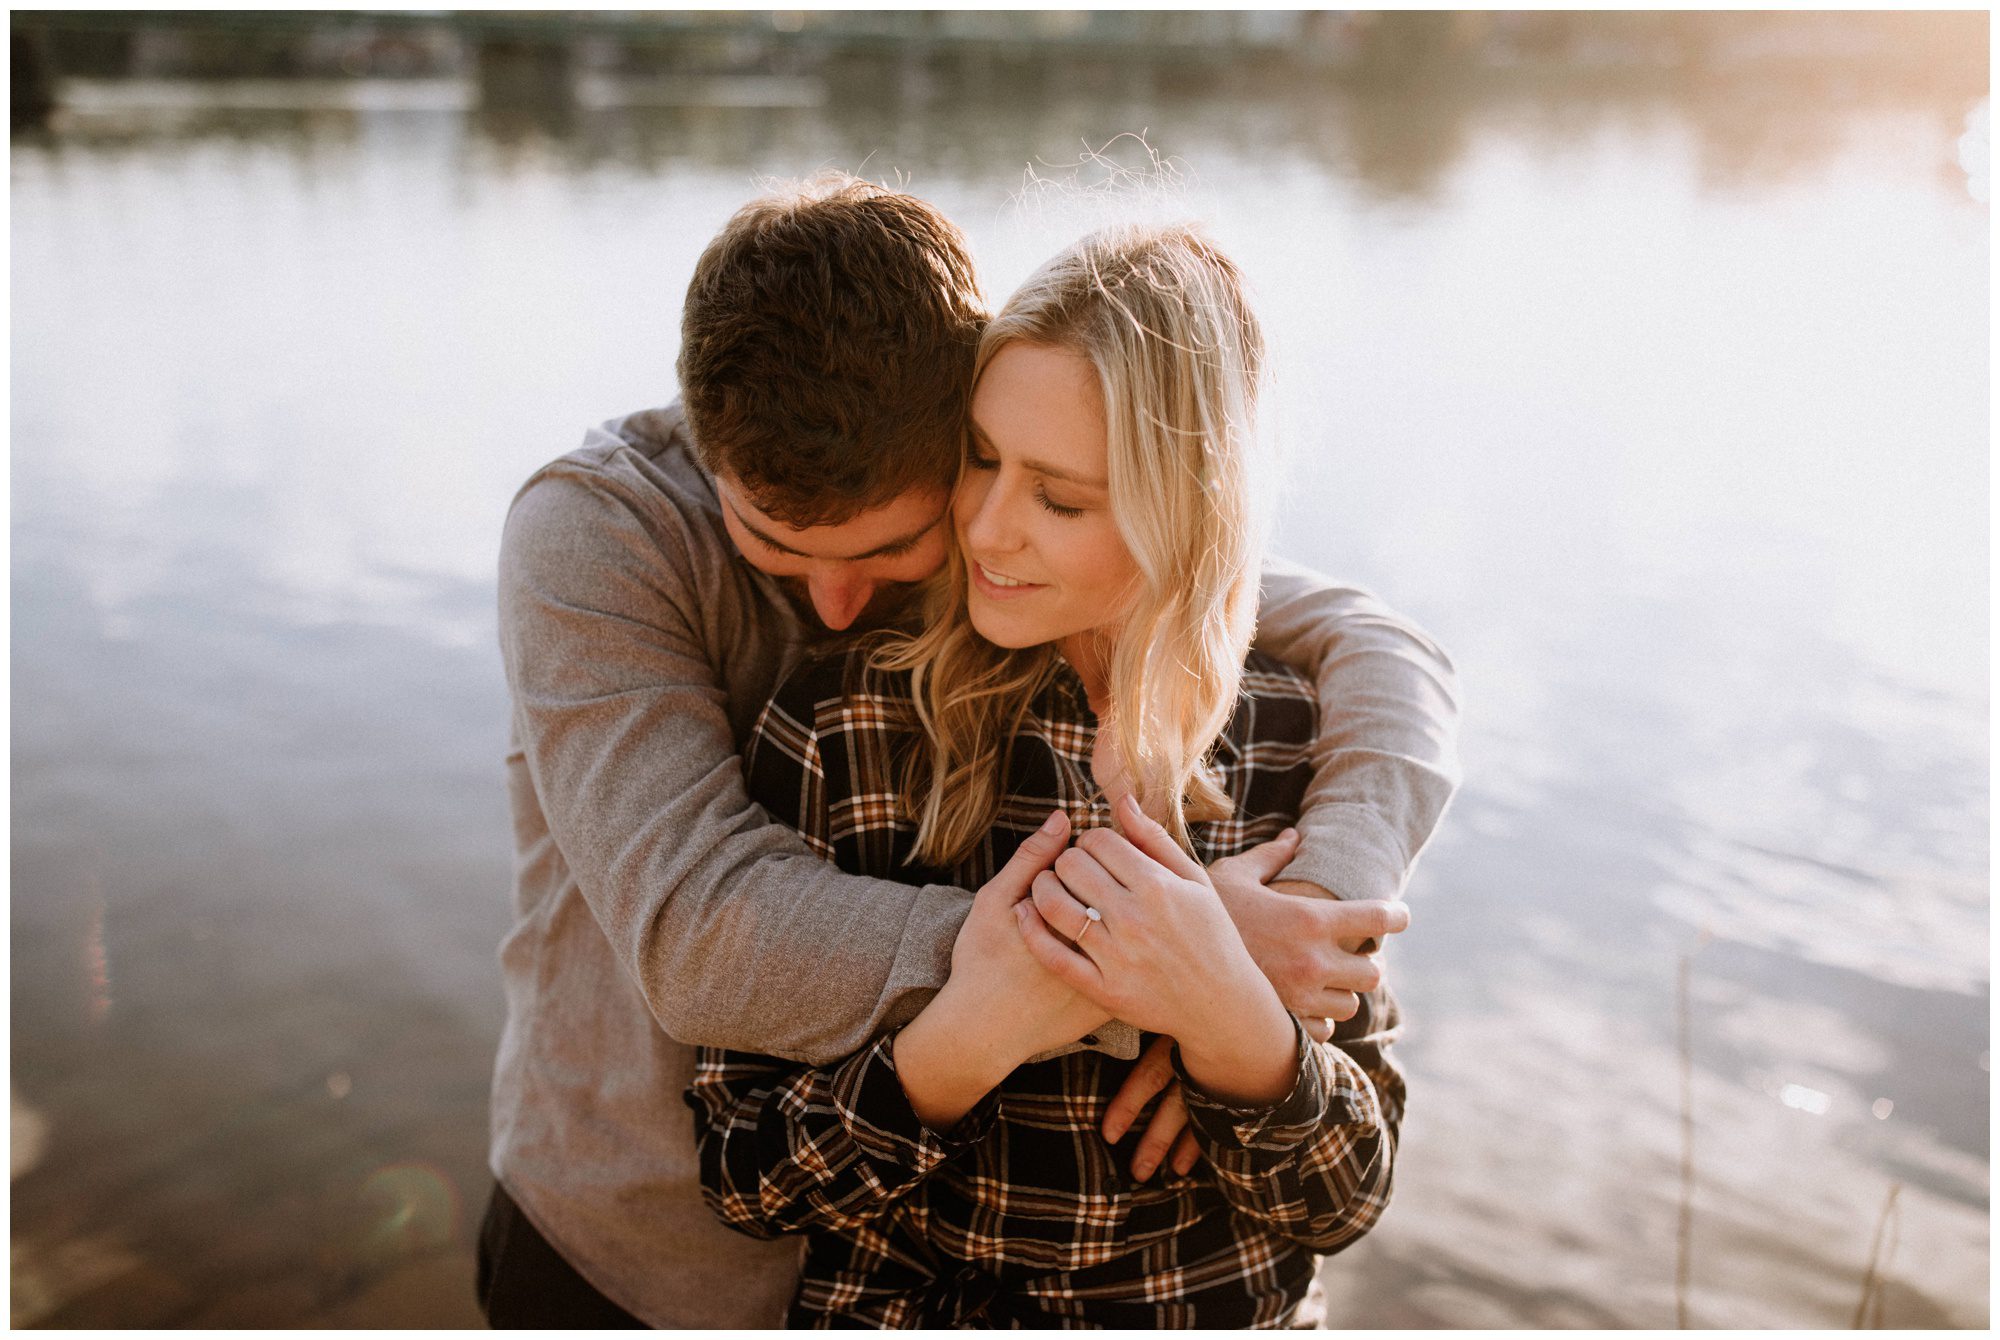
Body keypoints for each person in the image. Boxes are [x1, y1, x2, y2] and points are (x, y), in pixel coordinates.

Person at [483, 174, 1460, 1328]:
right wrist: (1152, 950)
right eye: (771, 543)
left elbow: (1357, 635)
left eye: (898, 546)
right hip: (632, 1250)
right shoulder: (596, 534)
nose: (836, 608)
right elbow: (701, 932)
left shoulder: (1002, 533)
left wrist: (1300, 918)